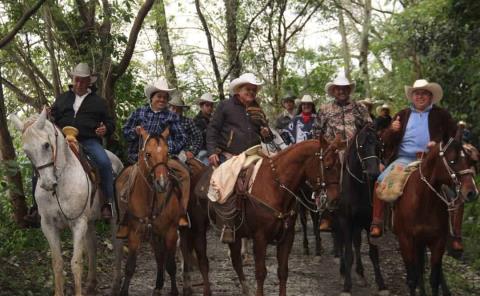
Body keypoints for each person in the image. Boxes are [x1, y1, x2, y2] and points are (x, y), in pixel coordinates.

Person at [369, 79, 465, 250]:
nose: (420, 97)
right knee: (382, 180)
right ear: (412, 96)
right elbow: (385, 141)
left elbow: (453, 138)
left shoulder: (441, 114)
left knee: (457, 188)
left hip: (434, 160)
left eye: (424, 94)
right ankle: (377, 222)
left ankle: (455, 235)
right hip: (405, 158)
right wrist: (392, 130)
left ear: (430, 97)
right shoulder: (402, 114)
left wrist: (437, 143)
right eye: (417, 94)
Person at [206, 72, 272, 242]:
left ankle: (270, 219)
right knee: (230, 182)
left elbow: (266, 134)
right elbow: (213, 129)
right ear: (238, 90)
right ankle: (227, 224)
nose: (251, 92)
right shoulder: (225, 106)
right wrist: (213, 150)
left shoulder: (257, 109)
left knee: (272, 175)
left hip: (254, 152)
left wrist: (266, 133)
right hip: (231, 154)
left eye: (253, 90)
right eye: (247, 89)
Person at [122, 77, 190, 227]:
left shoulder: (171, 116)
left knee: (185, 175)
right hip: (139, 157)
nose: (162, 99)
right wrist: (136, 131)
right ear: (152, 97)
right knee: (122, 180)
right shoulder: (139, 112)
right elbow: (125, 132)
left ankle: (182, 213)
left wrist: (166, 150)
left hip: (164, 159)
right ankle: (125, 218)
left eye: (165, 97)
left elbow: (182, 137)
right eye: (159, 96)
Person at [51, 63, 115, 219]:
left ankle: (107, 202)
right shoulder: (62, 98)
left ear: (89, 82)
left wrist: (106, 128)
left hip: (88, 140)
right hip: (62, 140)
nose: (79, 83)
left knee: (105, 163)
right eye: (76, 80)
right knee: (41, 161)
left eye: (83, 80)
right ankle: (35, 207)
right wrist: (48, 114)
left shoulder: (98, 102)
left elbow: (110, 122)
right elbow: (53, 116)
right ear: (73, 79)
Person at [315, 74, 372, 231]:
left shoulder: (359, 107)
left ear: (349, 90)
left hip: (355, 149)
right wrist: (328, 145)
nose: (341, 91)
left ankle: (373, 214)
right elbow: (316, 132)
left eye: (344, 88)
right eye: (338, 89)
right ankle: (326, 214)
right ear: (333, 91)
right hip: (333, 150)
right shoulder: (324, 109)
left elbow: (369, 127)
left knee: (371, 172)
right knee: (325, 175)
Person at [168, 91, 203, 164]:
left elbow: (198, 137)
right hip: (166, 153)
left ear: (182, 110)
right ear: (169, 108)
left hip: (183, 153)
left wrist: (192, 152)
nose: (175, 111)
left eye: (178, 109)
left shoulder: (188, 121)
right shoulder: (164, 122)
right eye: (173, 108)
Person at [194, 93, 216, 164]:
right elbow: (200, 138)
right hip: (202, 150)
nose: (210, 107)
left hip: (215, 150)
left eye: (211, 105)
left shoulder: (215, 120)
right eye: (207, 105)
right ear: (201, 106)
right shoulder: (196, 121)